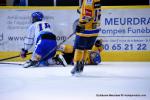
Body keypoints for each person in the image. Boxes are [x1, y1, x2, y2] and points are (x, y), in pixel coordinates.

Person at [71, 0, 101, 75]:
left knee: (79, 48)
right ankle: (81, 65)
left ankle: (77, 66)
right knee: (86, 49)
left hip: (85, 29)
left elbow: (88, 15)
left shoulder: (88, 0)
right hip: (95, 29)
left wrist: (81, 24)